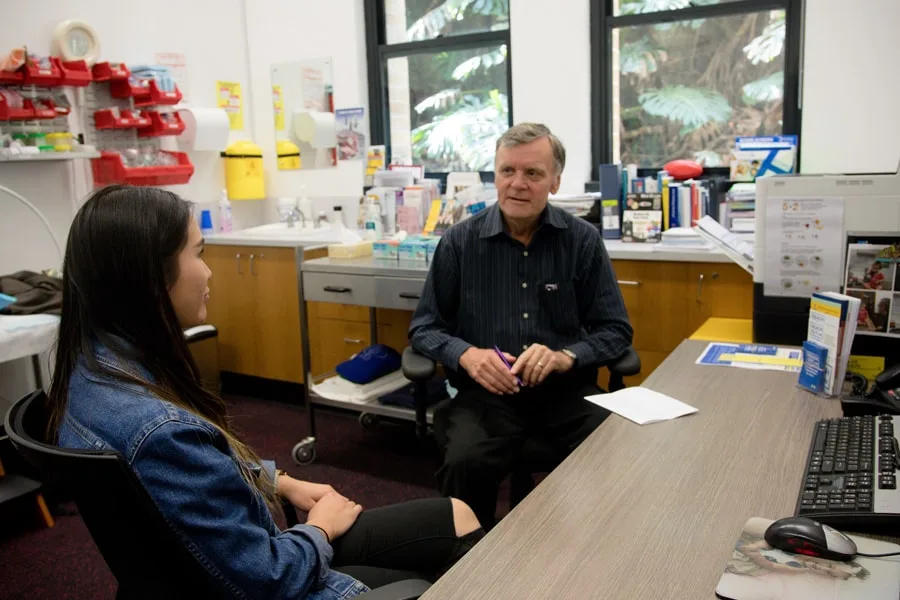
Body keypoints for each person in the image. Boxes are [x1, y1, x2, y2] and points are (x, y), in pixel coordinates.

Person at [48, 185, 484, 599]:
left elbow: (184, 483)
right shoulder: (160, 429)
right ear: (151, 278)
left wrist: (276, 480)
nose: (209, 270)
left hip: (214, 574)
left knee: (455, 517)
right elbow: (270, 580)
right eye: (198, 253)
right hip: (273, 576)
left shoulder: (93, 375)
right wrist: (321, 530)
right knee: (432, 566)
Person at [409, 122, 634, 527]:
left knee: (617, 450)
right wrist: (468, 355)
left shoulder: (582, 241)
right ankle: (467, 565)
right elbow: (425, 328)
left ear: (555, 181)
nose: (518, 184)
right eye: (507, 171)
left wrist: (567, 356)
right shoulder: (459, 242)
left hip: (565, 393)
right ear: (494, 176)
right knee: (464, 462)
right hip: (484, 396)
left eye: (533, 173)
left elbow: (615, 330)